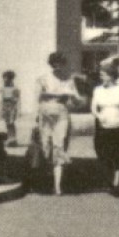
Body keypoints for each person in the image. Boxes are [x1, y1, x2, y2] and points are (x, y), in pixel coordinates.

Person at [35, 51, 83, 196]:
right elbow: (38, 97)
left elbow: (76, 100)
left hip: (62, 113)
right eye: (55, 64)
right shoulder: (43, 79)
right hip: (46, 113)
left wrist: (74, 98)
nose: (58, 67)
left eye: (60, 64)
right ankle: (45, 179)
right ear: (51, 64)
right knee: (45, 146)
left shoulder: (68, 80)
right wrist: (58, 94)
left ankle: (57, 186)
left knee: (59, 145)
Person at [92, 59, 119, 197]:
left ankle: (116, 184)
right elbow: (93, 107)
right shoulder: (98, 90)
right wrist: (98, 116)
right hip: (104, 127)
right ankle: (110, 180)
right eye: (101, 75)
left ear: (111, 76)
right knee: (104, 155)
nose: (101, 77)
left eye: (103, 75)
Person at [0, 70, 22, 147]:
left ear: (11, 79)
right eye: (4, 78)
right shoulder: (2, 88)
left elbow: (17, 99)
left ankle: (13, 139)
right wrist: (1, 108)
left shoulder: (15, 88)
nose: (5, 80)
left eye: (7, 78)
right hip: (5, 107)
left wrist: (18, 110)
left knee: (11, 123)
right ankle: (9, 139)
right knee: (7, 123)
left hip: (12, 107)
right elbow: (1, 99)